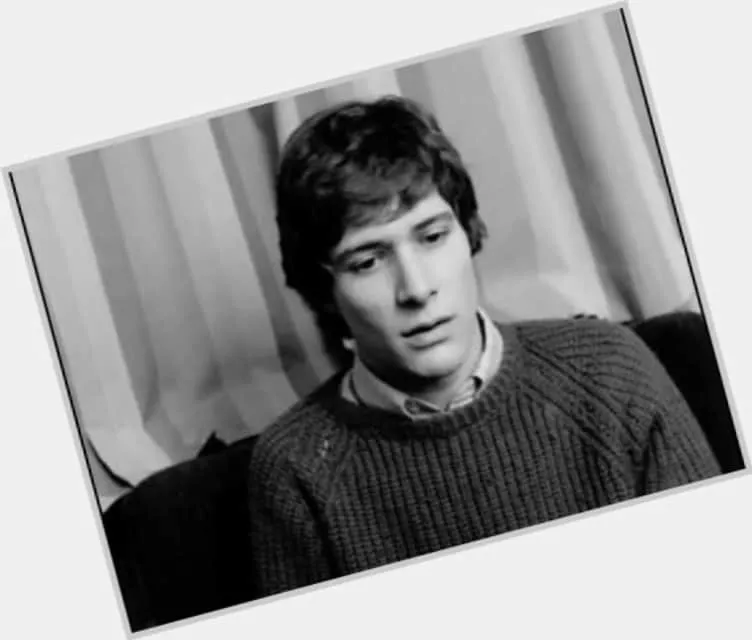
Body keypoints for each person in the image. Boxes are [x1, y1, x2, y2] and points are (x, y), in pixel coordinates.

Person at [247, 95, 721, 598]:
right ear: (325, 292)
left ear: (466, 232)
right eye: (367, 262)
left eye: (432, 237)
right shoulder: (294, 468)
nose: (417, 288)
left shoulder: (609, 370)